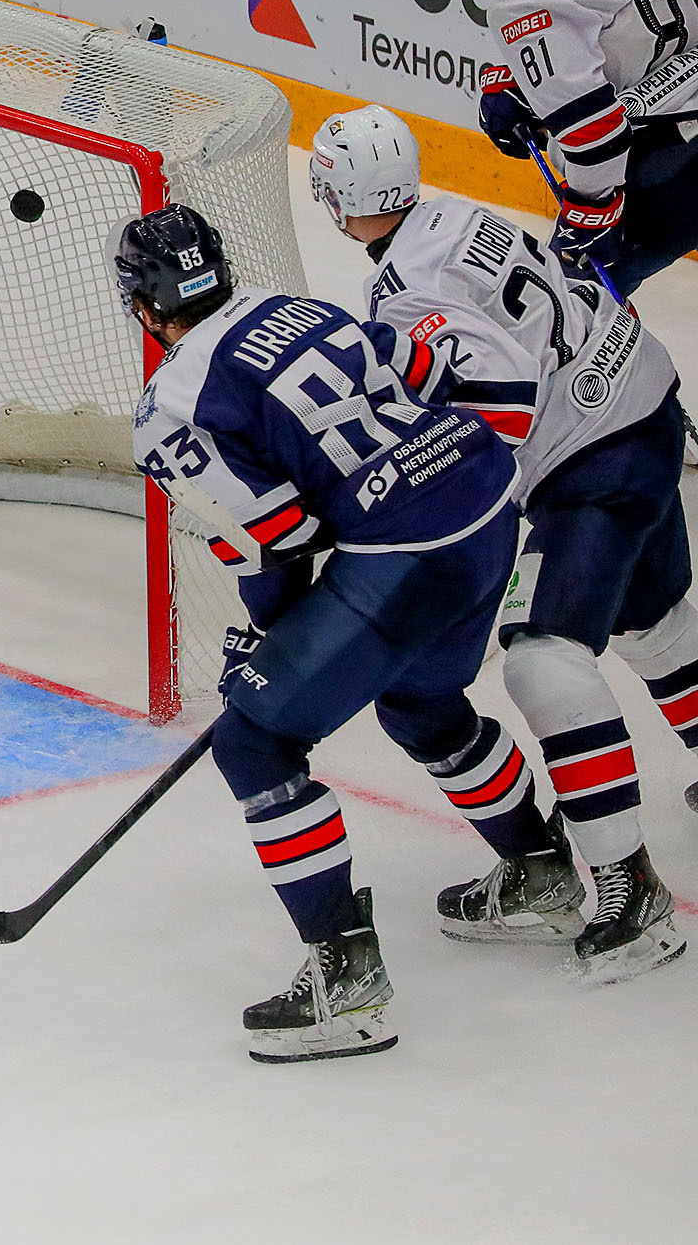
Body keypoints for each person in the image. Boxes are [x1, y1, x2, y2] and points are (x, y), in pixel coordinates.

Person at [120, 203, 558, 1063]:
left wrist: (269, 639)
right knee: (422, 701)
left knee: (254, 743)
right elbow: (428, 364)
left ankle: (346, 980)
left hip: (410, 548)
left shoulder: (170, 407)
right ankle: (541, 872)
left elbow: (275, 536)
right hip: (486, 496)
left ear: (144, 306)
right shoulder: (300, 307)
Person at [310, 105, 687, 979]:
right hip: (640, 396)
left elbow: (506, 406)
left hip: (590, 455)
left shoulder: (408, 288)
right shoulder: (455, 215)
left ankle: (633, 891)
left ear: (334, 198)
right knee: (648, 618)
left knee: (541, 659)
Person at [469, 0, 698, 293]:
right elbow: (618, 40)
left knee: (566, 308)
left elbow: (598, 138)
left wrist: (592, 215)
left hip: (669, 168)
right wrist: (525, 87)